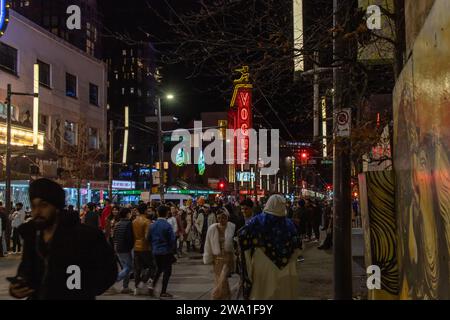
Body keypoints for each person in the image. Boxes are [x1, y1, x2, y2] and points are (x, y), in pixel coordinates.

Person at [9, 178, 117, 300]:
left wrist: (82, 290)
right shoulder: (32, 236)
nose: (37, 211)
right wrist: (18, 287)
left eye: (43, 205)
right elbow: (26, 270)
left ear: (56, 207)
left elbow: (108, 272)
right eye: (34, 206)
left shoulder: (85, 236)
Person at [238, 194, 302, 300]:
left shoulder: (257, 221)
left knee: (263, 292)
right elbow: (298, 248)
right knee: (284, 293)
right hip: (286, 266)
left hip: (263, 262)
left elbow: (242, 237)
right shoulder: (290, 224)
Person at [203, 208, 236, 300]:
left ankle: (215, 296)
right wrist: (208, 257)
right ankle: (227, 297)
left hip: (228, 259)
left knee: (223, 279)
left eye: (223, 218)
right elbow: (208, 244)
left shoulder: (232, 228)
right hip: (216, 260)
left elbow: (235, 245)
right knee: (220, 280)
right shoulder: (212, 229)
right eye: (219, 218)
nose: (221, 220)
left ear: (227, 218)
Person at [147, 205, 176, 299]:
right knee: (167, 272)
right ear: (167, 213)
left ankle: (152, 286)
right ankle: (163, 291)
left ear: (157, 213)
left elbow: (148, 238)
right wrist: (172, 250)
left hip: (155, 251)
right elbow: (172, 240)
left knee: (158, 269)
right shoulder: (167, 225)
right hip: (166, 251)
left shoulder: (152, 225)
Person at [132, 203, 154, 295]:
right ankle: (143, 281)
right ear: (145, 210)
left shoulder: (134, 221)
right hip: (145, 247)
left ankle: (136, 288)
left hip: (136, 246)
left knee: (137, 268)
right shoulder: (147, 221)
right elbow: (147, 236)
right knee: (152, 267)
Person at [113, 207, 134, 294]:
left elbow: (114, 236)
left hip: (118, 248)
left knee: (125, 267)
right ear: (127, 214)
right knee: (128, 268)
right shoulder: (129, 224)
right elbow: (129, 238)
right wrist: (131, 247)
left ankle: (125, 287)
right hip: (125, 248)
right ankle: (114, 280)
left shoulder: (117, 224)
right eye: (130, 213)